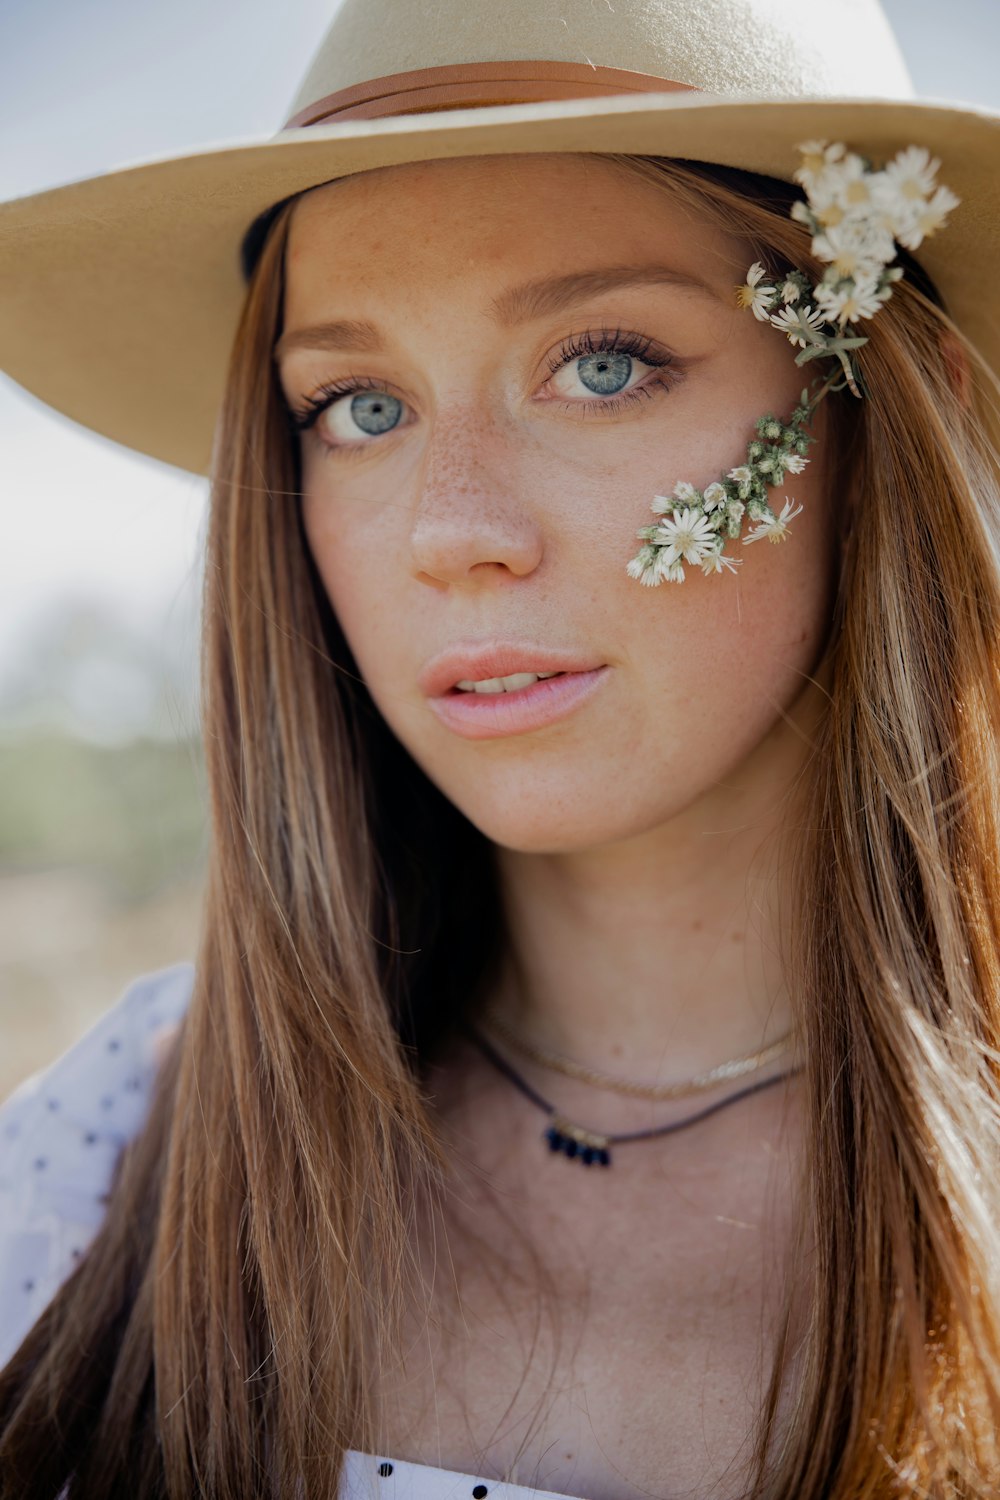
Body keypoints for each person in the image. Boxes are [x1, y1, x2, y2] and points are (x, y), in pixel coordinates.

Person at [2, 0, 1000, 1495]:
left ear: (884, 410)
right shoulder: (116, 1151)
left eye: (601, 366)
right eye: (357, 405)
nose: (451, 531)